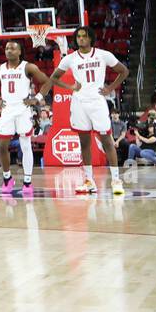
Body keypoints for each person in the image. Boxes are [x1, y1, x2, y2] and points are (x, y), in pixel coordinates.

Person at [49, 26, 129, 195]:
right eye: (78, 37)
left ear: (91, 38)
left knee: (107, 140)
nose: (81, 39)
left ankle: (116, 180)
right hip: (78, 103)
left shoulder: (103, 54)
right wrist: (70, 86)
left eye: (84, 36)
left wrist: (110, 88)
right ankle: (89, 180)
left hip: (97, 102)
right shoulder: (70, 58)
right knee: (84, 143)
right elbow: (54, 78)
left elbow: (124, 71)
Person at [0, 40, 53, 197]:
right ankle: (7, 178)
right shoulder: (0, 68)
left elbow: (47, 81)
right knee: (2, 145)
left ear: (19, 52)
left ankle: (28, 182)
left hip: (23, 109)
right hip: (8, 109)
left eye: (12, 48)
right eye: (7, 48)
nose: (9, 50)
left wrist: (36, 99)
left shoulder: (28, 67)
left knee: (25, 146)